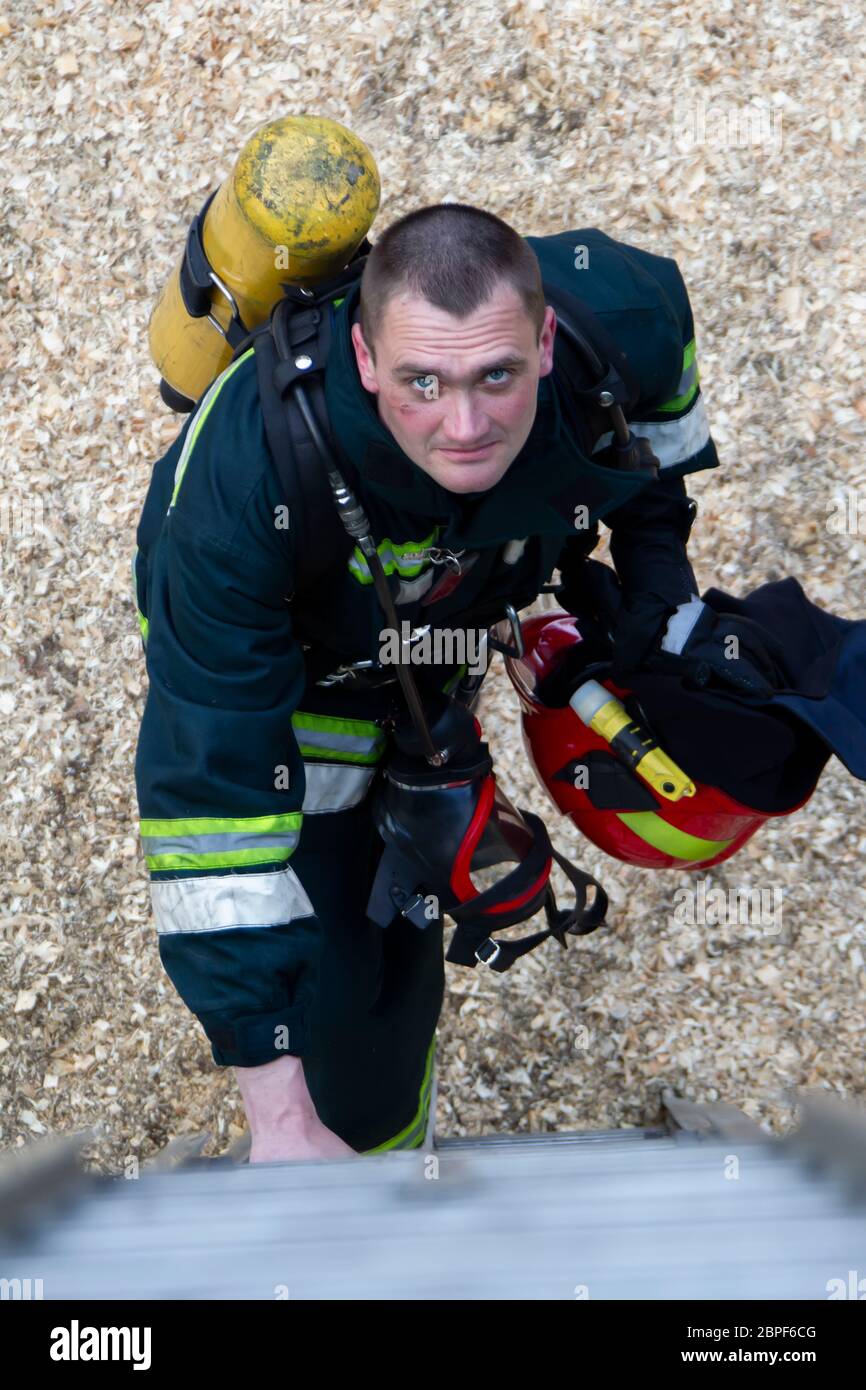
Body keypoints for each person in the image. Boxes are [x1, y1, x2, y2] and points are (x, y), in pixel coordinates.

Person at [134, 203, 735, 1162]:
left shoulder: (631, 311)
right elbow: (209, 788)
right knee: (336, 976)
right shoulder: (242, 496)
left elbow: (657, 457)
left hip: (438, 632)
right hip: (292, 671)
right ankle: (344, 1156)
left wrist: (660, 608)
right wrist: (277, 1111)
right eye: (423, 382)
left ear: (544, 340)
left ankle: (387, 1143)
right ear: (365, 361)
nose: (464, 427)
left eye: (498, 375)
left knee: (399, 956)